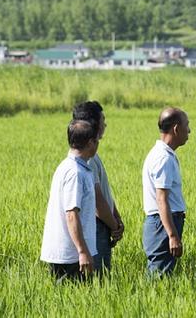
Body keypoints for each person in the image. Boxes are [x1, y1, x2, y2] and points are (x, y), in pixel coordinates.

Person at [40, 119, 99, 282]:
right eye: (96, 141)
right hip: (71, 256)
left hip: (70, 253)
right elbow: (71, 214)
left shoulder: (67, 167)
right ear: (90, 143)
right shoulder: (75, 173)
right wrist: (82, 251)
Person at [72, 101, 124, 272]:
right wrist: (114, 225)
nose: (105, 124)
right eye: (102, 120)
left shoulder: (91, 155)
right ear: (93, 124)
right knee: (99, 279)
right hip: (97, 225)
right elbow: (96, 200)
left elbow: (104, 191)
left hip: (104, 222)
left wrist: (115, 215)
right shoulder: (88, 159)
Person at [142, 107, 190, 275]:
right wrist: (172, 235)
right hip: (163, 224)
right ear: (176, 129)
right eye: (187, 125)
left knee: (162, 273)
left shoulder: (162, 154)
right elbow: (161, 199)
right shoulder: (163, 158)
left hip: (162, 223)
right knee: (159, 276)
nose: (189, 130)